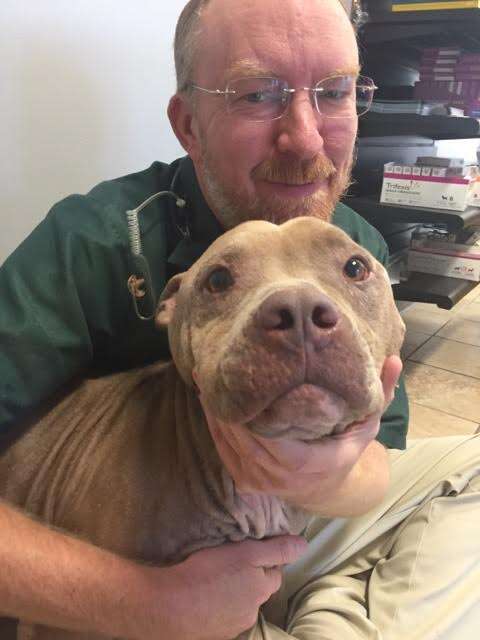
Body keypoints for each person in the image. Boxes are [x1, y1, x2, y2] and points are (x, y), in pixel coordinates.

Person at [0, 1, 478, 639]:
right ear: (189, 124)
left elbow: (378, 461)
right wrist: (147, 602)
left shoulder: (355, 244)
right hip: (135, 544)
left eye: (334, 92)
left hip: (288, 520)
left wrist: (325, 476)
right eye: (257, 94)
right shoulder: (93, 242)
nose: (305, 139)